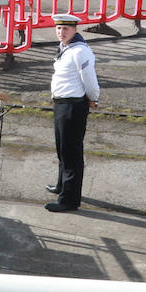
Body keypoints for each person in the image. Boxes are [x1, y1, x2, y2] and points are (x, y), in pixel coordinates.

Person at [44, 14, 99, 213]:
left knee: (71, 154)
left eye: (66, 29)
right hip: (62, 104)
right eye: (59, 29)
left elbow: (90, 79)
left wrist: (94, 97)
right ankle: (61, 186)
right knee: (62, 149)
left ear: (75, 30)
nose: (61, 32)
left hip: (73, 106)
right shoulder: (66, 48)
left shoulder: (80, 52)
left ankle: (69, 200)